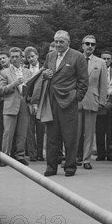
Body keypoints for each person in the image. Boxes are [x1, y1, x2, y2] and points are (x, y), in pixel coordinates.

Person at [40, 30, 88, 177]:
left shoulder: (78, 56)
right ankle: (51, 167)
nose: (58, 44)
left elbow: (83, 82)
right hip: (52, 101)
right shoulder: (50, 55)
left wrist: (76, 97)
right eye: (56, 41)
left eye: (61, 41)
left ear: (68, 42)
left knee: (70, 136)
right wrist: (44, 75)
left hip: (69, 102)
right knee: (52, 136)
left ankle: (70, 166)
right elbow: (45, 72)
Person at [77, 35, 108, 170]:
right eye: (87, 43)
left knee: (89, 132)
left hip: (92, 99)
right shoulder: (75, 59)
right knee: (74, 131)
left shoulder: (100, 62)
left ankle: (86, 159)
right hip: (76, 99)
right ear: (82, 45)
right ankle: (72, 157)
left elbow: (104, 83)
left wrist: (102, 101)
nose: (90, 46)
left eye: (93, 44)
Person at [0, 47, 33, 166]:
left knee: (22, 132)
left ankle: (19, 155)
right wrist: (14, 84)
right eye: (12, 57)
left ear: (21, 58)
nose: (14, 59)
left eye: (16, 56)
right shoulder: (4, 72)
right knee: (8, 133)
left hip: (24, 104)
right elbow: (1, 90)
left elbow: (31, 89)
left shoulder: (28, 72)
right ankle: (5, 157)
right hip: (10, 105)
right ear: (9, 58)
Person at [24, 46, 45, 162]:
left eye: (32, 56)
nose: (31, 59)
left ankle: (40, 153)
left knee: (41, 129)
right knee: (29, 129)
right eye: (28, 57)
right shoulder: (25, 69)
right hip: (28, 102)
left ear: (37, 55)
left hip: (41, 102)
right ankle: (32, 154)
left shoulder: (43, 68)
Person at [96, 50, 112, 162]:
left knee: (110, 129)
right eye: (104, 58)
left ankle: (111, 153)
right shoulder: (96, 71)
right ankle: (100, 153)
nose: (106, 60)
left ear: (111, 60)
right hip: (99, 103)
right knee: (99, 129)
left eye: (108, 59)